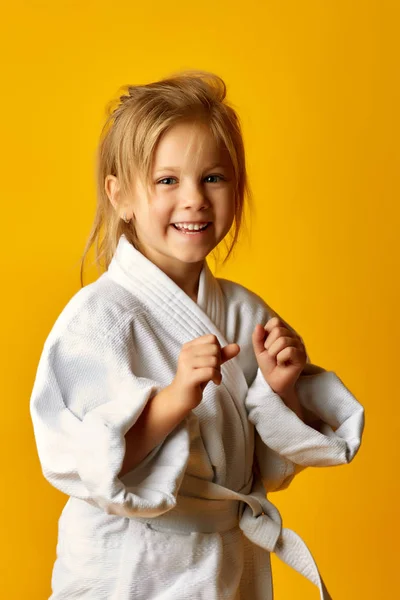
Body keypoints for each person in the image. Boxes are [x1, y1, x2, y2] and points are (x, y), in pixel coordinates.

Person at [30, 70, 365, 600]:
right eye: (167, 181)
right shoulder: (99, 319)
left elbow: (264, 471)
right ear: (121, 196)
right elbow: (91, 467)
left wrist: (279, 392)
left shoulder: (243, 311)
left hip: (226, 560)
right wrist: (175, 397)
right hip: (128, 565)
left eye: (213, 177)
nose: (195, 200)